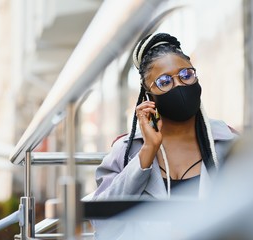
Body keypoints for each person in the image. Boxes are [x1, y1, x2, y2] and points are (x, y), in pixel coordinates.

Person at [93, 32, 237, 200]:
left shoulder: (229, 142)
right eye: (164, 82)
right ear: (149, 95)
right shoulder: (126, 150)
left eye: (186, 75)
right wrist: (147, 152)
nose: (179, 85)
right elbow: (100, 218)